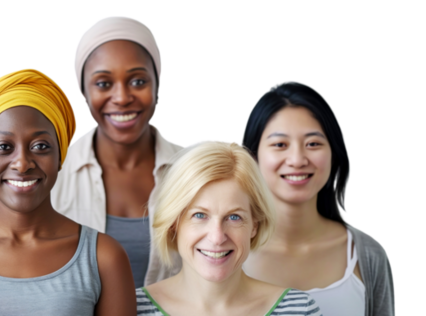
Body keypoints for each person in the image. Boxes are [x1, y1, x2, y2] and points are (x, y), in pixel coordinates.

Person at [0, 68, 136, 316]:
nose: (22, 163)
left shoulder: (104, 256)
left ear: (60, 155)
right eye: (3, 147)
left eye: (40, 146)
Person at [240, 81, 396, 316]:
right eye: (280, 144)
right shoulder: (224, 247)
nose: (297, 159)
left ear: (333, 153)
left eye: (313, 144)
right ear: (253, 155)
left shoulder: (368, 254)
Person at [51, 15, 183, 288]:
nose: (122, 98)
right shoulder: (53, 173)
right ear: (83, 91)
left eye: (138, 81)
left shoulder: (191, 170)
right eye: (103, 83)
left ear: (157, 84)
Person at [137, 140, 322, 315]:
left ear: (254, 225)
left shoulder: (300, 310)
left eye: (234, 217)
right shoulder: (134, 308)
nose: (217, 237)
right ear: (174, 223)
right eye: (200, 215)